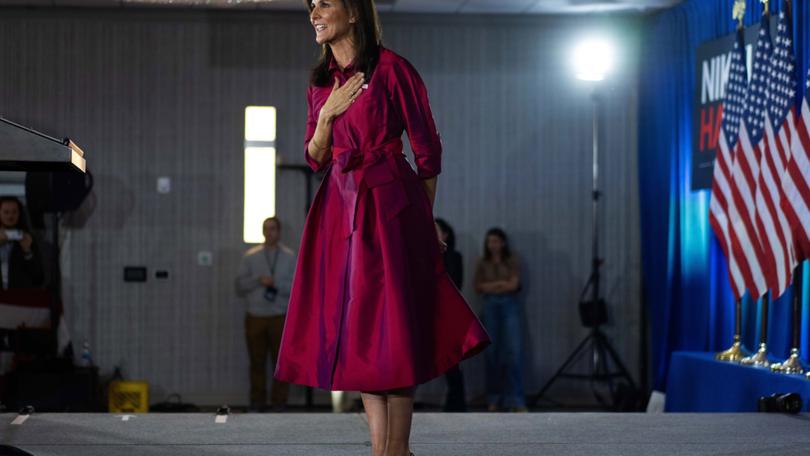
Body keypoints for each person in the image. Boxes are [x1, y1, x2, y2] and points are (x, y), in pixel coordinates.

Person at [274, 1, 490, 455]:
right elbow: (315, 157)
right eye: (310, 5)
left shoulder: (393, 69)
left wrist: (421, 218)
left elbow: (428, 151)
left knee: (392, 327)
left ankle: (395, 449)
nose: (314, 11)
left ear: (353, 12)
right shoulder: (320, 84)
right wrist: (329, 115)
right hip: (340, 207)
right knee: (360, 329)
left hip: (391, 203)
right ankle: (384, 451)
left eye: (324, 3)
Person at [235, 216, 296, 412]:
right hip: (256, 316)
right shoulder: (250, 256)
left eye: (273, 229)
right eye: (266, 229)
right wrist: (258, 280)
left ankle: (279, 403)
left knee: (280, 364)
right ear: (262, 231)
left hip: (280, 316)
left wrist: (275, 283)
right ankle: (257, 403)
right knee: (257, 362)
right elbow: (239, 286)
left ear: (279, 232)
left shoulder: (289, 256)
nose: (270, 233)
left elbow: (297, 287)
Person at [473, 228, 527, 412]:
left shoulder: (512, 260)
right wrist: (501, 285)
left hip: (510, 305)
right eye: (490, 242)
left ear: (503, 242)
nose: (493, 245)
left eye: (496, 241)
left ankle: (517, 400)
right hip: (489, 306)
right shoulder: (482, 262)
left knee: (514, 352)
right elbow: (478, 286)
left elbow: (514, 285)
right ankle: (494, 399)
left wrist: (493, 286)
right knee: (492, 353)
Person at [435, 218, 467, 412]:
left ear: (445, 235)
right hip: (426, 310)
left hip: (445, 312)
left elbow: (456, 283)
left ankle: (457, 403)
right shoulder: (419, 253)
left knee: (451, 362)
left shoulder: (454, 256)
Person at [0, 196, 44, 289]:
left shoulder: (27, 238)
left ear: (20, 214)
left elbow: (38, 277)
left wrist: (27, 251)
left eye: (14, 212)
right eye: (6, 212)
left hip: (19, 295)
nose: (10, 216)